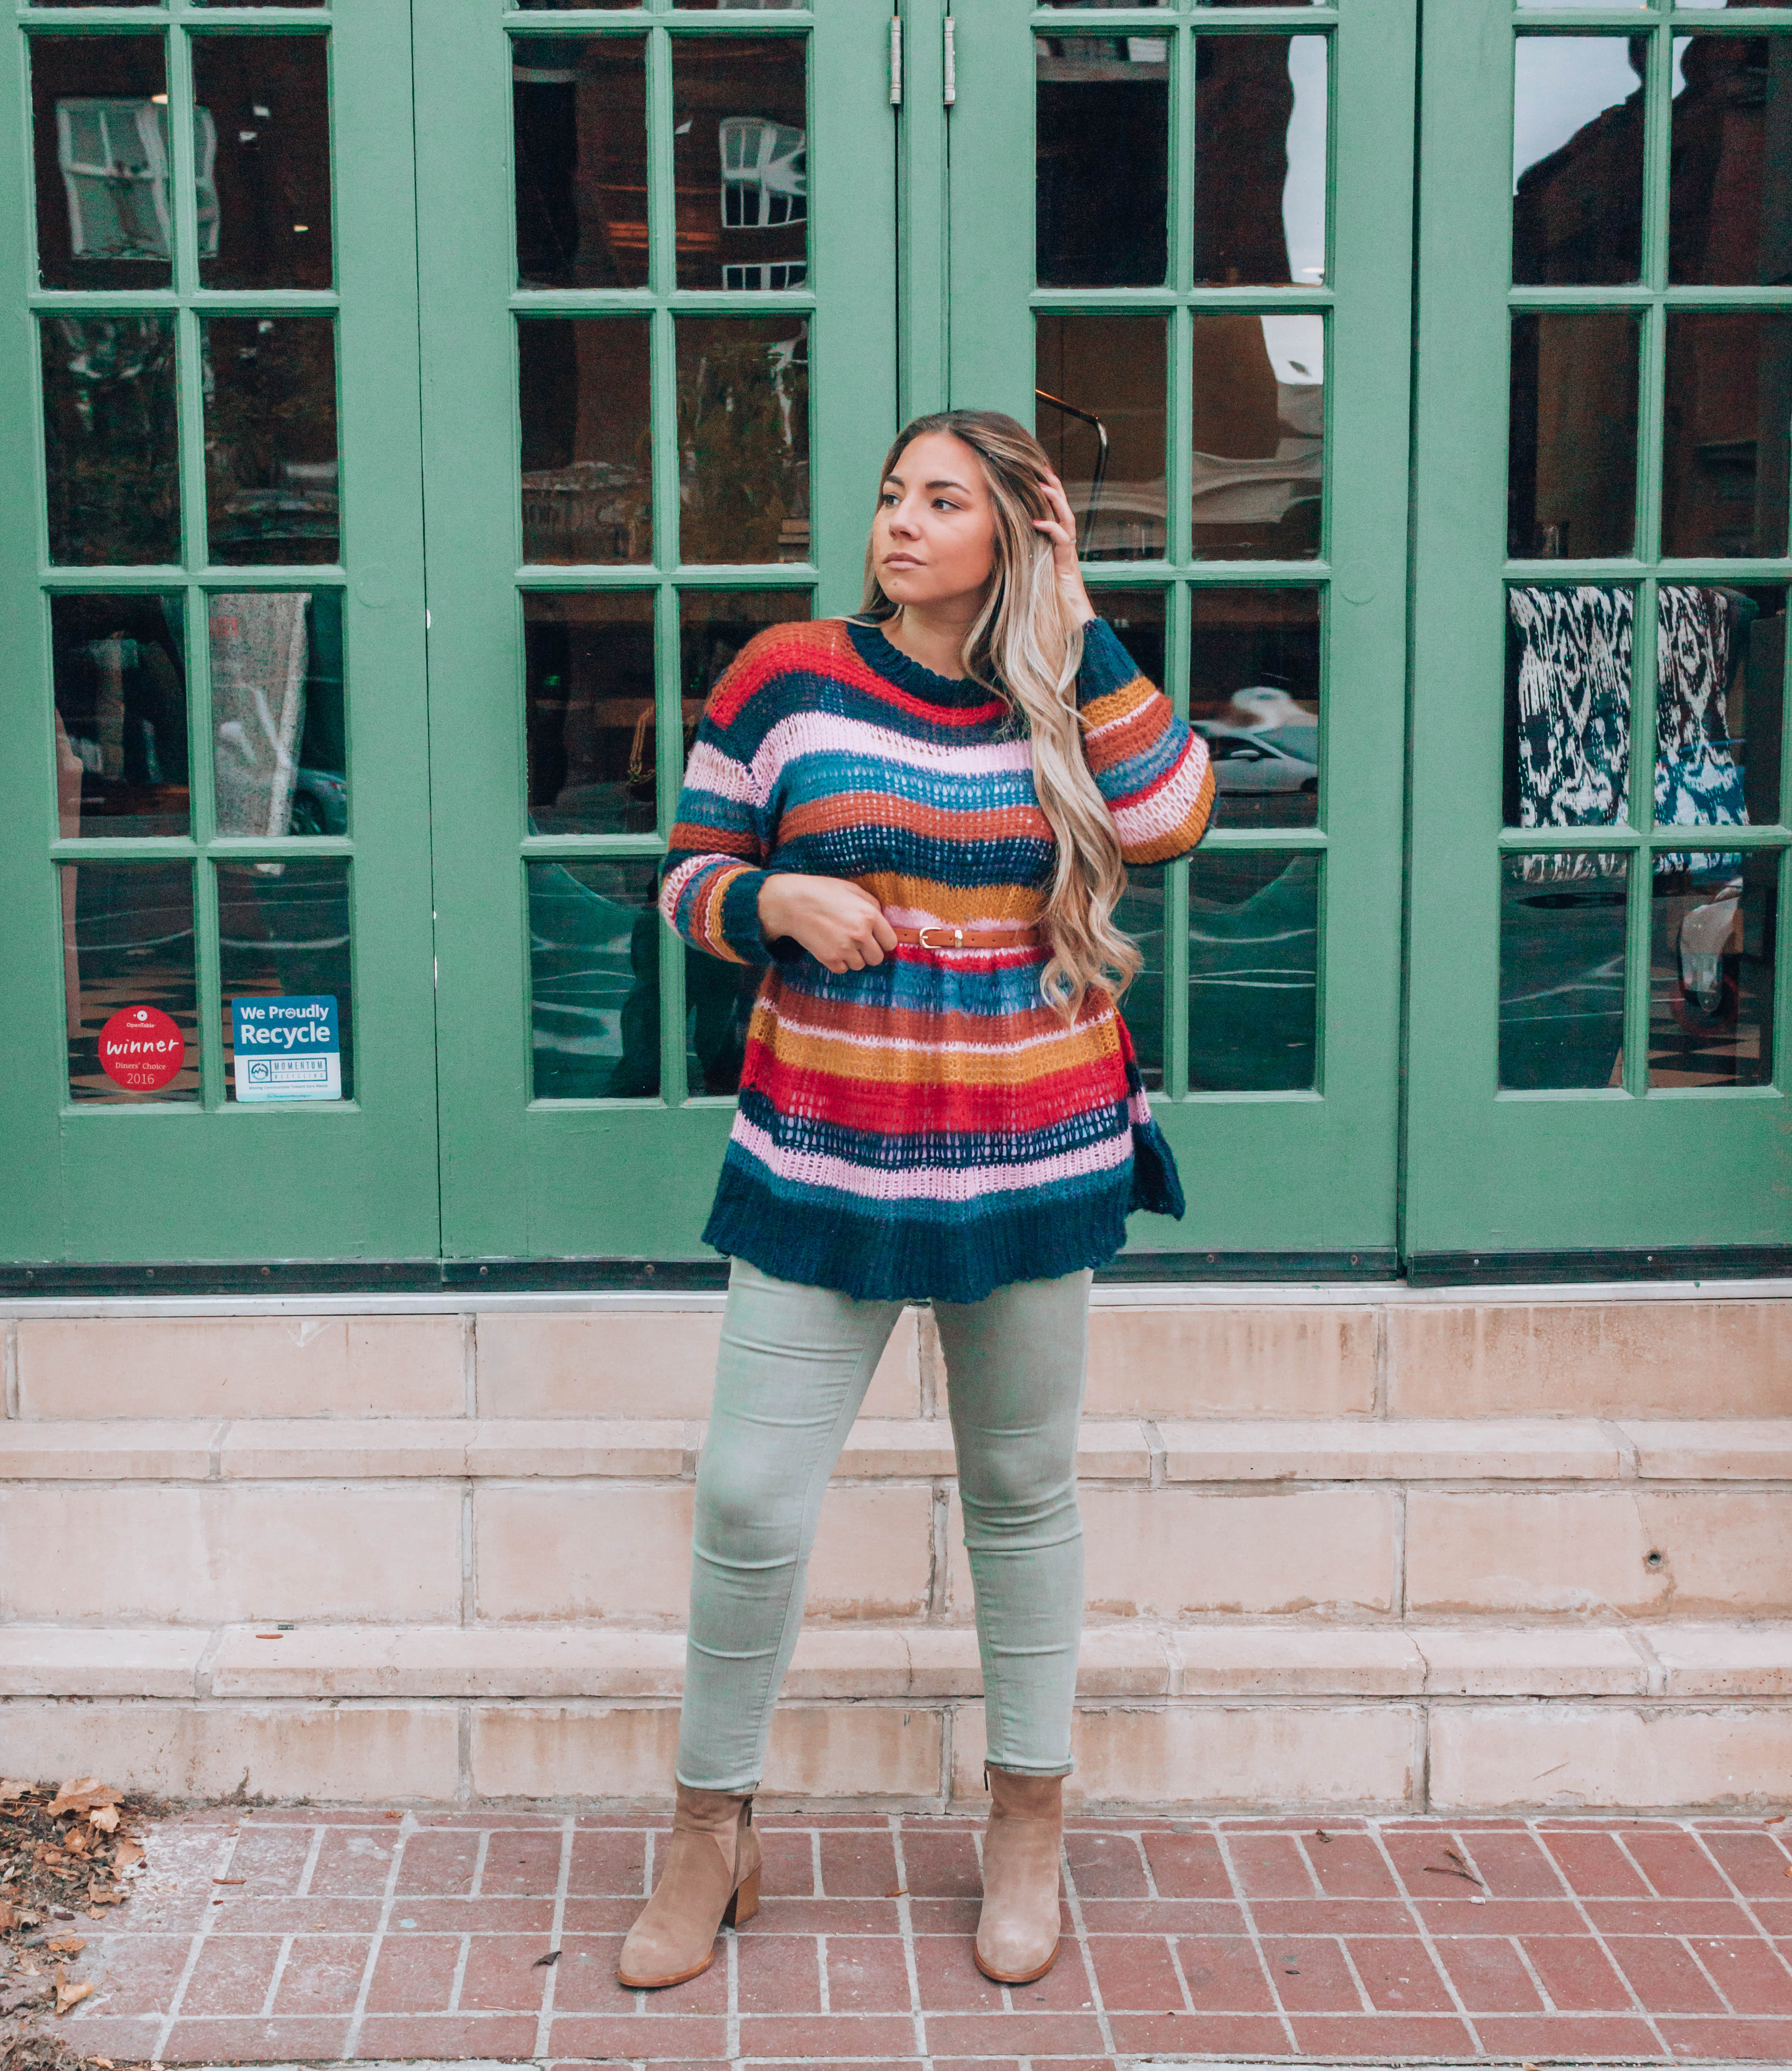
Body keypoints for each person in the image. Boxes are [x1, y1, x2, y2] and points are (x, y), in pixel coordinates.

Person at [624, 410, 1215, 1992]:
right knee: (749, 1494)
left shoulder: (1061, 692)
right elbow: (684, 870)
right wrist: (771, 898)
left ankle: (1028, 1825)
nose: (899, 521)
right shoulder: (787, 671)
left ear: (1014, 530)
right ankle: (708, 1824)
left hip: (1035, 1152)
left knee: (1021, 1494)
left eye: (943, 500)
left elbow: (1167, 818)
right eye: (891, 493)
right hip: (822, 1153)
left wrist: (1080, 625)